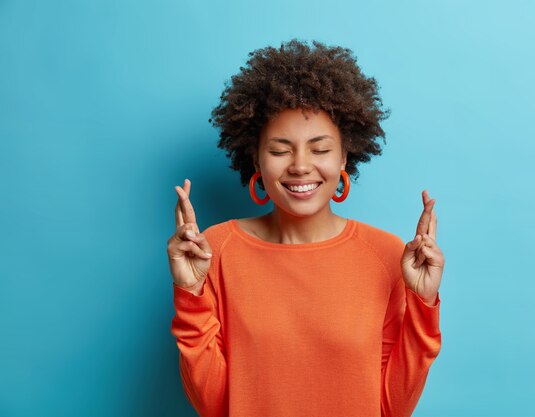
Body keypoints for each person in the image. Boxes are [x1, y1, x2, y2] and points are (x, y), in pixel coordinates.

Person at [167, 38, 444, 417]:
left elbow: (392, 407)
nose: (300, 165)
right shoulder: (215, 250)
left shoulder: (385, 255)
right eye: (280, 150)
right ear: (256, 158)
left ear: (345, 154)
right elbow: (216, 406)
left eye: (320, 149)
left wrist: (422, 306)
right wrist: (189, 292)